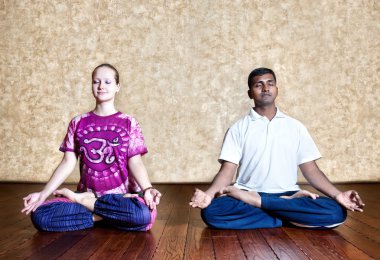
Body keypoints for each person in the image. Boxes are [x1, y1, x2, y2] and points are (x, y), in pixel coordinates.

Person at [190, 67, 365, 230]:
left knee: (336, 211)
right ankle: (289, 216)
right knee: (212, 212)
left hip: (288, 194)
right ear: (250, 93)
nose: (265, 88)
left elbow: (311, 170)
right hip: (246, 193)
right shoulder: (238, 128)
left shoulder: (295, 127)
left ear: (276, 90)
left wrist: (338, 195)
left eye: (270, 83)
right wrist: (209, 194)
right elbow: (227, 172)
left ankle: (263, 205)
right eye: (259, 85)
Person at [21, 63, 161, 232]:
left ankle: (89, 208)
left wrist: (147, 189)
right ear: (92, 86)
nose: (101, 86)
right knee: (40, 216)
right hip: (89, 193)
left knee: (145, 214)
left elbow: (135, 161)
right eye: (96, 82)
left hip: (121, 198)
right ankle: (108, 216)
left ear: (118, 87)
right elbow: (67, 162)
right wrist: (43, 194)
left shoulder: (129, 122)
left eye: (108, 82)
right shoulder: (78, 122)